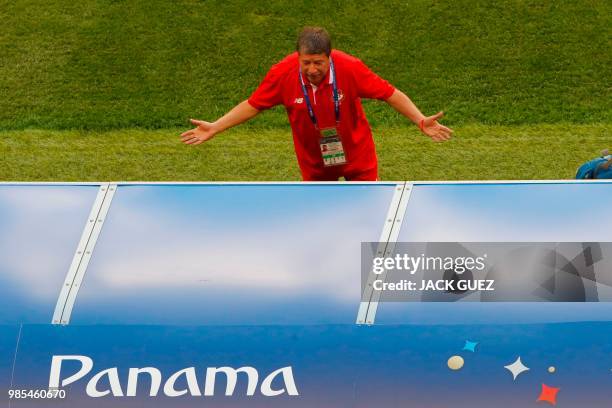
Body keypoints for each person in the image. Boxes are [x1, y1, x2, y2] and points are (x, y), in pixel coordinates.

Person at [181, 27, 452, 181]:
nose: (312, 69)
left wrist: (419, 119)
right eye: (306, 62)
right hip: (313, 162)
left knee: (371, 214)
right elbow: (253, 105)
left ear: (329, 57)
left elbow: (390, 93)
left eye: (318, 62)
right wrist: (216, 126)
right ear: (298, 57)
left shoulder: (350, 67)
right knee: (324, 218)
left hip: (358, 156)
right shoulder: (282, 73)